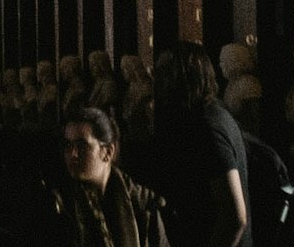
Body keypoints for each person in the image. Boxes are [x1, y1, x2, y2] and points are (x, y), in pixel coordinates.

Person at [140, 44, 248, 247]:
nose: (156, 78)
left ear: (184, 76)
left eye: (164, 72)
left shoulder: (207, 125)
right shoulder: (213, 115)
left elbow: (235, 215)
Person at [50, 106, 172, 246]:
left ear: (108, 152)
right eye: (68, 145)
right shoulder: (58, 204)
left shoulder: (142, 206)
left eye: (82, 146)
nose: (73, 154)